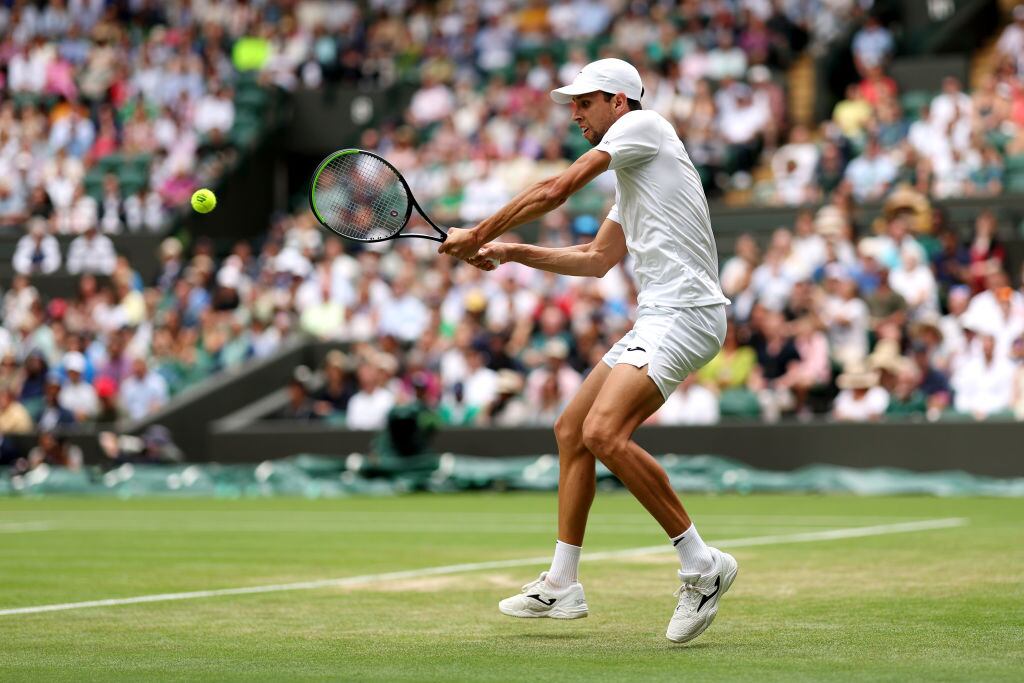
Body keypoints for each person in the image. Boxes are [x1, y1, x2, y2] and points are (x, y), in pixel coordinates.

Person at [439, 58, 735, 644]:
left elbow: (557, 188)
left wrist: (477, 232)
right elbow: (596, 260)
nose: (574, 112)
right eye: (572, 103)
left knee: (604, 433)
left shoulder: (643, 130)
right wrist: (511, 250)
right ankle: (563, 583)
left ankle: (702, 567)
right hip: (659, 314)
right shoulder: (638, 172)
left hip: (688, 313)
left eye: (585, 102)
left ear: (619, 102)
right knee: (572, 428)